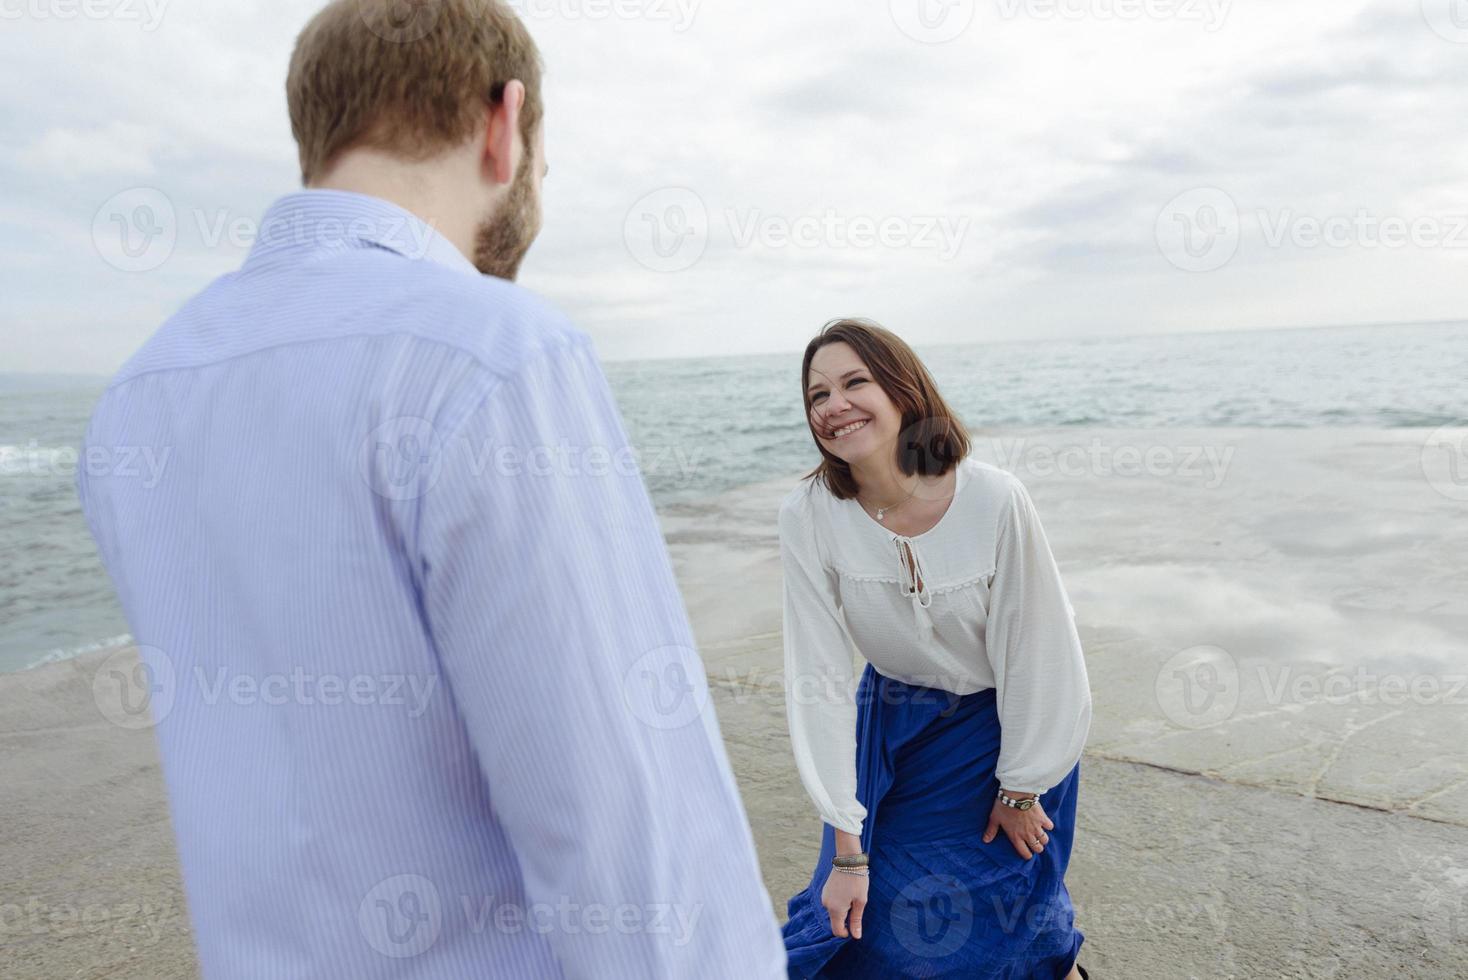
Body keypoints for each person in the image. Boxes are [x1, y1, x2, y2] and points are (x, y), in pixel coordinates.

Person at [73, 1, 785, 976]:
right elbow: (629, 838)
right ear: (505, 122)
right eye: (542, 151)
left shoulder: (137, 398)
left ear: (318, 131)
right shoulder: (490, 350)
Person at [777, 318, 1094, 978]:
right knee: (860, 920)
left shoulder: (995, 499)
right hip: (891, 729)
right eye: (817, 396)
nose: (834, 405)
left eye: (854, 382)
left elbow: (1043, 652)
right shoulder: (809, 513)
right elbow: (818, 675)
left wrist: (1022, 787)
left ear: (903, 391)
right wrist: (844, 846)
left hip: (1004, 731)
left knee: (988, 915)